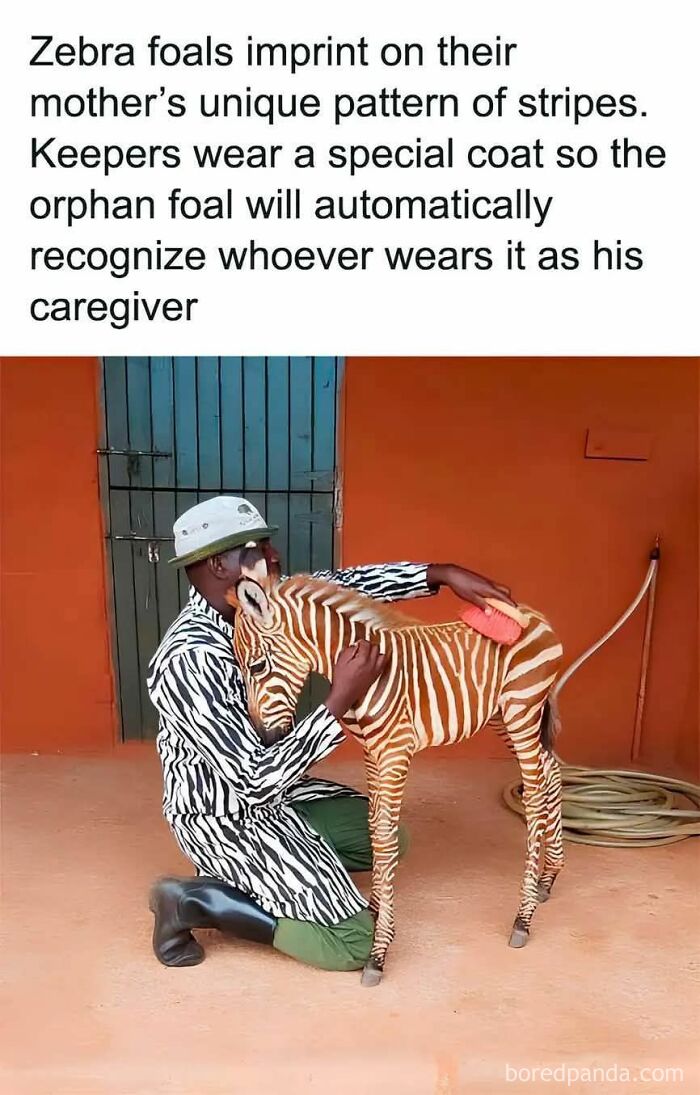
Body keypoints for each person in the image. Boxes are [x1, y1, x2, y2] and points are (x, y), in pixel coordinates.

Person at [147, 495, 514, 972]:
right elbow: (254, 778)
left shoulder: (268, 602)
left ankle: (256, 873)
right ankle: (194, 902)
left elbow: (344, 586)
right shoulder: (190, 658)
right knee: (353, 942)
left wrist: (442, 575)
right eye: (257, 548)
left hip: (282, 795)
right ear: (219, 564)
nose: (273, 555)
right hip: (226, 812)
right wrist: (339, 700)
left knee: (388, 839)